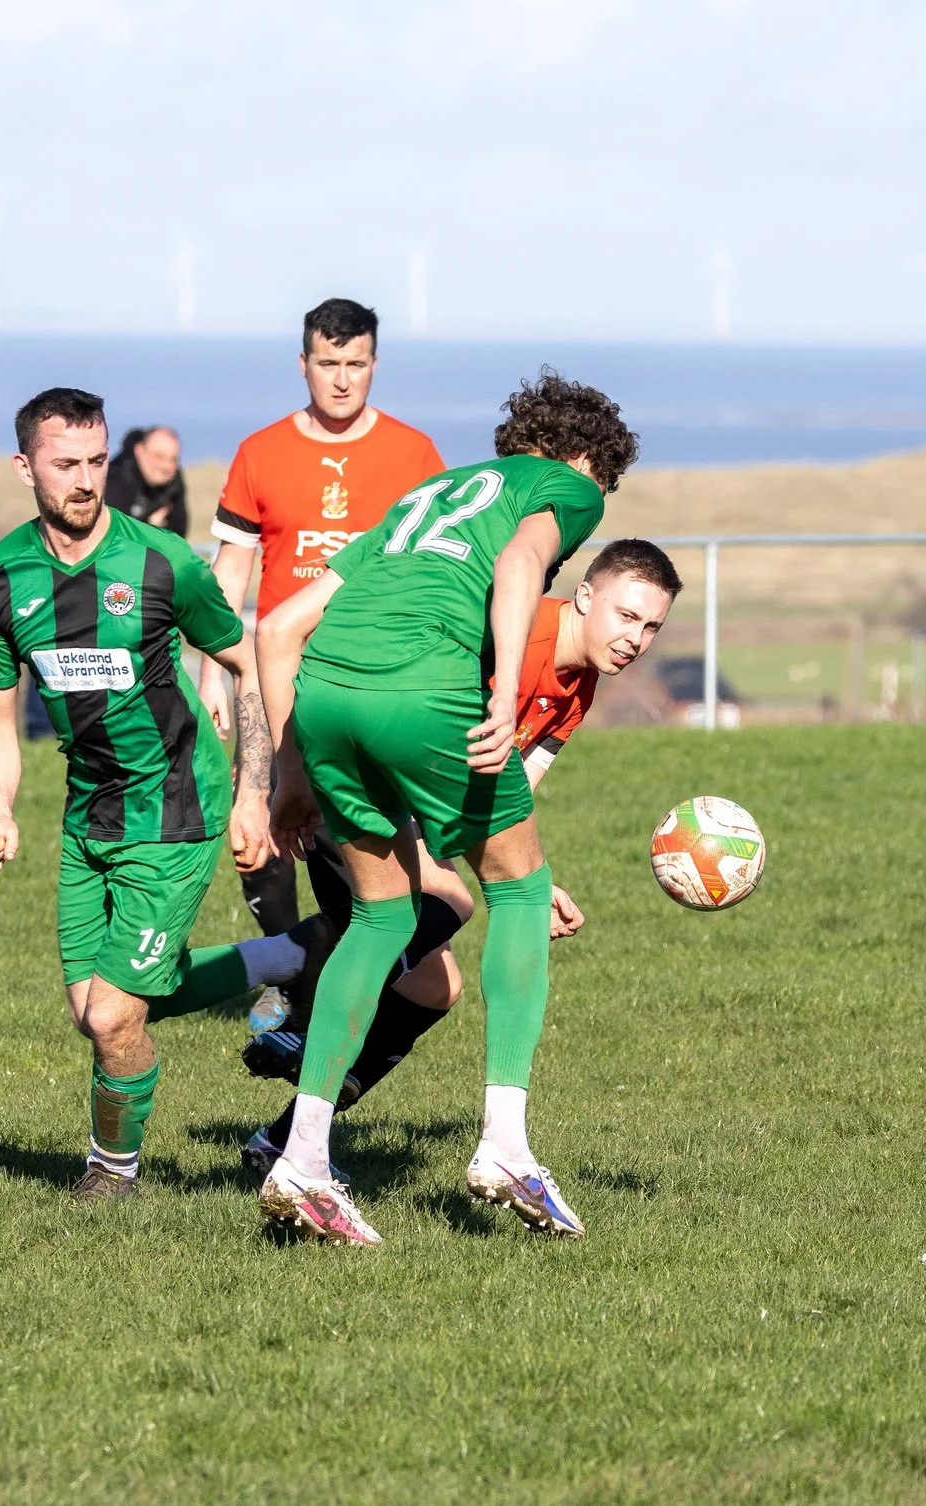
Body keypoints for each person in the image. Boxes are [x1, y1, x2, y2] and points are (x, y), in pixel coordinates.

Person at [251, 370, 638, 1245]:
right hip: (426, 691)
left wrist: (289, 775)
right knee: (521, 891)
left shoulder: (429, 493)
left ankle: (303, 1158)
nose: (592, 504)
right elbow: (520, 565)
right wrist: (502, 691)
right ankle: (504, 1146)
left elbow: (277, 631)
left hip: (327, 697)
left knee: (381, 918)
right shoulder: (565, 487)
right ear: (584, 459)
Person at [235, 539, 682, 1173]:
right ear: (585, 597)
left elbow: (512, 797)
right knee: (447, 901)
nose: (637, 638)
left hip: (410, 804)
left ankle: (282, 1139)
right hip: (352, 779)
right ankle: (296, 1011)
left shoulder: (577, 689)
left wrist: (531, 881)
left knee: (433, 988)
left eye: (652, 626)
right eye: (627, 616)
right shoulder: (509, 639)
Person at [0, 388, 294, 1200]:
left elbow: (247, 664)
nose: (85, 480)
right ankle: (293, 953)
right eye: (65, 464)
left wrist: (255, 795)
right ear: (24, 467)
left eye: (96, 461)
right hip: (89, 814)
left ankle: (112, 1175)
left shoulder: (162, 563)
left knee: (113, 1017)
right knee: (98, 1009)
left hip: (177, 803)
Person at [199, 299, 447, 949]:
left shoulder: (415, 455)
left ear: (375, 365)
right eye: (328, 363)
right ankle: (291, 967)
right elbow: (228, 579)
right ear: (302, 364)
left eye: (356, 364)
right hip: (276, 676)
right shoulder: (260, 453)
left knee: (368, 835)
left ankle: (362, 958)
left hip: (374, 679)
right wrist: (211, 674)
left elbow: (436, 576)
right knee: (258, 833)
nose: (342, 379)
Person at [105, 426, 189, 535]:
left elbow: (179, 534)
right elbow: (112, 534)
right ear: (139, 450)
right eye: (158, 456)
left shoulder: (174, 481)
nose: (166, 466)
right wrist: (150, 527)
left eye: (173, 459)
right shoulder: (115, 479)